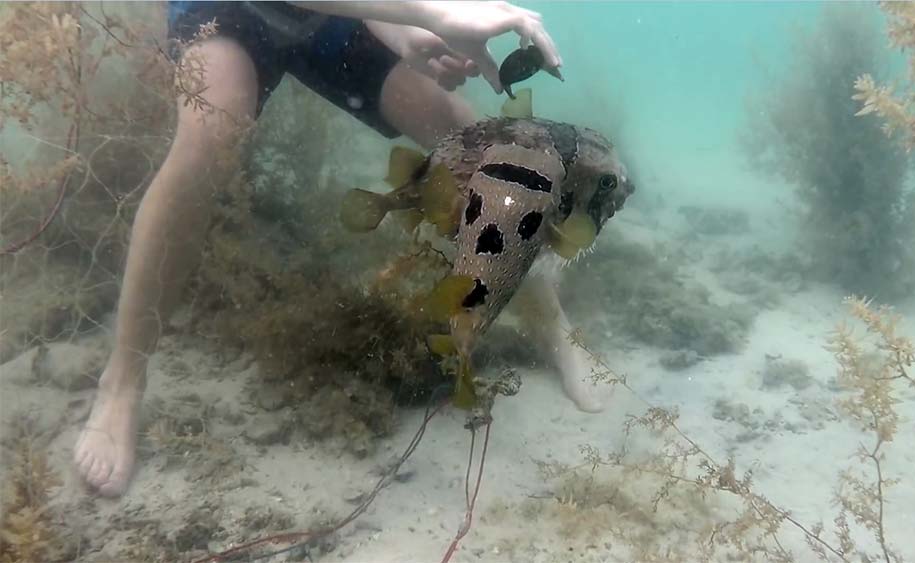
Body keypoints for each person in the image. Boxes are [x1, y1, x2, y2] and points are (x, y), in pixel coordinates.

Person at [74, 1, 608, 499]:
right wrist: (434, 13)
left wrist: (407, 33)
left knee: (477, 144)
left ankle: (549, 319)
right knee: (207, 138)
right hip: (227, 6)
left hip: (336, 16)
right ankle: (122, 380)